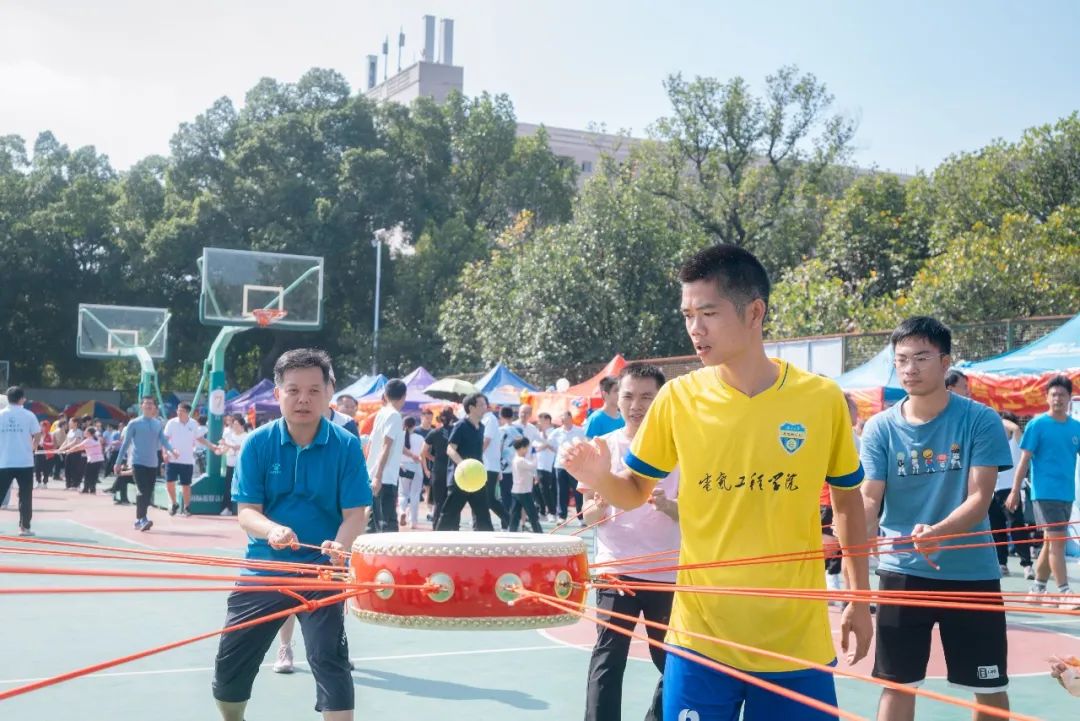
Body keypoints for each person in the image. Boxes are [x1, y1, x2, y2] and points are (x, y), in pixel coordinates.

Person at [564, 244, 871, 721]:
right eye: (688, 315)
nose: (695, 329)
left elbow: (848, 503)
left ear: (754, 312)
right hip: (700, 639)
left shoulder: (821, 399)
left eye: (708, 313)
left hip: (795, 641)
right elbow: (634, 491)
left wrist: (858, 597)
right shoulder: (678, 398)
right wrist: (600, 476)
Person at [861, 316, 1013, 721]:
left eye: (921, 358)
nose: (909, 368)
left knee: (989, 688)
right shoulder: (879, 428)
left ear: (945, 362)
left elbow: (980, 497)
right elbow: (869, 497)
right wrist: (849, 534)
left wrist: (938, 532)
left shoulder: (980, 420)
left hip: (972, 573)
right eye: (901, 360)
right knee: (897, 684)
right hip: (902, 571)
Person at [212, 349, 370, 721]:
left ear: (329, 392)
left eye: (314, 390)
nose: (303, 399)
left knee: (330, 660)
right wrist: (273, 530)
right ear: (278, 393)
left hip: (322, 572)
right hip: (265, 570)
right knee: (229, 669)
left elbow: (356, 514)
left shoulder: (347, 445)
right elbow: (247, 512)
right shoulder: (257, 443)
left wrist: (340, 545)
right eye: (294, 390)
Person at [583, 363, 680, 721]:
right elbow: (587, 516)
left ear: (661, 400)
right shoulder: (603, 448)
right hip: (616, 569)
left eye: (646, 397)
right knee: (608, 658)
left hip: (666, 571)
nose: (636, 405)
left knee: (673, 662)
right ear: (615, 399)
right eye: (628, 396)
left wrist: (671, 507)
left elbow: (698, 514)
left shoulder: (680, 449)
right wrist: (599, 506)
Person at [1006, 374, 1080, 607]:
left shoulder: (1075, 427)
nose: (1058, 398)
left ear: (1070, 398)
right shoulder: (1037, 425)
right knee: (1058, 543)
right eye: (1054, 394)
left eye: (1062, 395)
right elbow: (1024, 461)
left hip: (1066, 494)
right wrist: (1015, 490)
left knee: (1050, 543)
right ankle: (1064, 592)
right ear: (1047, 397)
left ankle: (1037, 589)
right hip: (1045, 494)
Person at [115, 396, 178, 532]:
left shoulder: (157, 424)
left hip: (152, 463)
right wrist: (118, 463)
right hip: (138, 462)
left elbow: (163, 440)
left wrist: (172, 450)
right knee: (142, 490)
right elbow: (125, 444)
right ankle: (142, 519)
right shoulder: (134, 423)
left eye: (151, 404)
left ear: (155, 407)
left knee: (148, 492)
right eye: (146, 403)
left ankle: (138, 520)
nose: (149, 406)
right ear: (141, 406)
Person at [435, 393, 495, 532]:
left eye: (485, 404)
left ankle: (487, 543)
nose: (485, 407)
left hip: (477, 478)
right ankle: (438, 541)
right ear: (471, 408)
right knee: (449, 516)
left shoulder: (481, 427)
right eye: (481, 404)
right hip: (460, 478)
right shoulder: (461, 425)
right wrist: (463, 465)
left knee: (483, 516)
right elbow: (450, 449)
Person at [365, 379, 407, 533]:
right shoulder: (395, 416)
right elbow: (386, 446)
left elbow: (370, 445)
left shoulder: (381, 413)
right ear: (403, 396)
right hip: (385, 477)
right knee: (387, 524)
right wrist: (379, 476)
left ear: (386, 395)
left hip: (374, 473)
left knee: (373, 522)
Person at [0, 387, 42, 536]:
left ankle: (24, 526)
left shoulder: (1, 415)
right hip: (25, 462)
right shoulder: (29, 415)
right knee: (25, 496)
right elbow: (37, 434)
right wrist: (33, 448)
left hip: (4, 461)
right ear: (21, 399)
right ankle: (24, 527)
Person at [163, 402, 216, 516]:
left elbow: (199, 438)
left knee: (186, 485)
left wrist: (211, 446)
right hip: (172, 458)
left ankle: (187, 507)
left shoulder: (193, 424)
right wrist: (165, 453)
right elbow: (165, 439)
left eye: (181, 411)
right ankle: (174, 503)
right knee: (169, 482)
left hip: (187, 460)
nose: (179, 412)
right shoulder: (171, 423)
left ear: (187, 412)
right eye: (178, 410)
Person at [421, 408, 455, 530]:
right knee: (453, 502)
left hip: (438, 470)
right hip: (453, 470)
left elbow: (423, 451)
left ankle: (437, 527)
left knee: (438, 502)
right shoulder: (456, 430)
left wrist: (433, 458)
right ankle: (452, 527)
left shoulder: (434, 432)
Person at [549, 411, 586, 523]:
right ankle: (562, 516)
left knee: (578, 491)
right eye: (561, 418)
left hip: (575, 465)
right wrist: (559, 452)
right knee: (561, 491)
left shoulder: (579, 431)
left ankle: (581, 517)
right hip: (560, 465)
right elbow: (549, 444)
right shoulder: (556, 432)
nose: (562, 420)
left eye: (564, 417)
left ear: (570, 418)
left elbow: (585, 444)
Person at [481, 403, 509, 529]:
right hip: (484, 465)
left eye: (481, 404)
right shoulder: (482, 419)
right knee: (482, 499)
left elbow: (486, 440)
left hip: (489, 466)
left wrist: (475, 455)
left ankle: (510, 522)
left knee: (489, 499)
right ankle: (482, 525)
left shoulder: (490, 419)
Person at [507, 437, 542, 532]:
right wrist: (535, 454)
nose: (527, 450)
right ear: (522, 448)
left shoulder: (517, 459)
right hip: (524, 492)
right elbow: (533, 465)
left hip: (516, 491)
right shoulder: (520, 460)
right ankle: (539, 533)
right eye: (527, 448)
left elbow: (529, 470)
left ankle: (512, 532)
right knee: (532, 514)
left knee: (515, 515)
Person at [397, 416, 426, 529]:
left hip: (403, 466)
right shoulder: (420, 438)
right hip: (416, 466)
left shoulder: (400, 436)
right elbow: (423, 454)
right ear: (414, 425)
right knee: (415, 494)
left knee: (403, 493)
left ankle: (402, 511)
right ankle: (413, 521)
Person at [218, 416, 249, 516]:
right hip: (230, 465)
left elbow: (238, 447)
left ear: (242, 425)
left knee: (241, 487)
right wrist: (218, 450)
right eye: (234, 424)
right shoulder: (230, 436)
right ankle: (227, 508)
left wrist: (227, 444)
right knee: (228, 487)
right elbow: (225, 449)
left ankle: (242, 509)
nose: (234, 426)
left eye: (236, 424)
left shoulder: (246, 436)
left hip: (241, 466)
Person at [534, 412, 558, 522]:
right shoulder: (538, 433)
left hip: (548, 465)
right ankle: (542, 511)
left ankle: (552, 512)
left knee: (545, 489)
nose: (539, 423)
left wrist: (544, 444)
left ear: (547, 420)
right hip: (537, 464)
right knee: (536, 489)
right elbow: (535, 446)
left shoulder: (553, 432)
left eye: (541, 421)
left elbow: (551, 445)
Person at [70, 426, 106, 493]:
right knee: (94, 475)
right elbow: (81, 448)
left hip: (92, 460)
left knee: (88, 475)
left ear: (89, 433)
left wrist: (69, 450)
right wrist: (71, 450)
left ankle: (86, 489)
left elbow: (77, 447)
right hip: (99, 459)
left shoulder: (88, 440)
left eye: (85, 431)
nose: (84, 432)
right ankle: (92, 489)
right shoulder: (96, 439)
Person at [34, 419, 56, 488]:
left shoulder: (51, 435)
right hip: (39, 453)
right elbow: (34, 442)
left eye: (43, 426)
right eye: (41, 426)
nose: (42, 428)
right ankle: (38, 482)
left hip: (47, 454)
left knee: (46, 469)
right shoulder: (38, 434)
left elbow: (53, 444)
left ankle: (45, 482)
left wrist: (44, 443)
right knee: (37, 468)